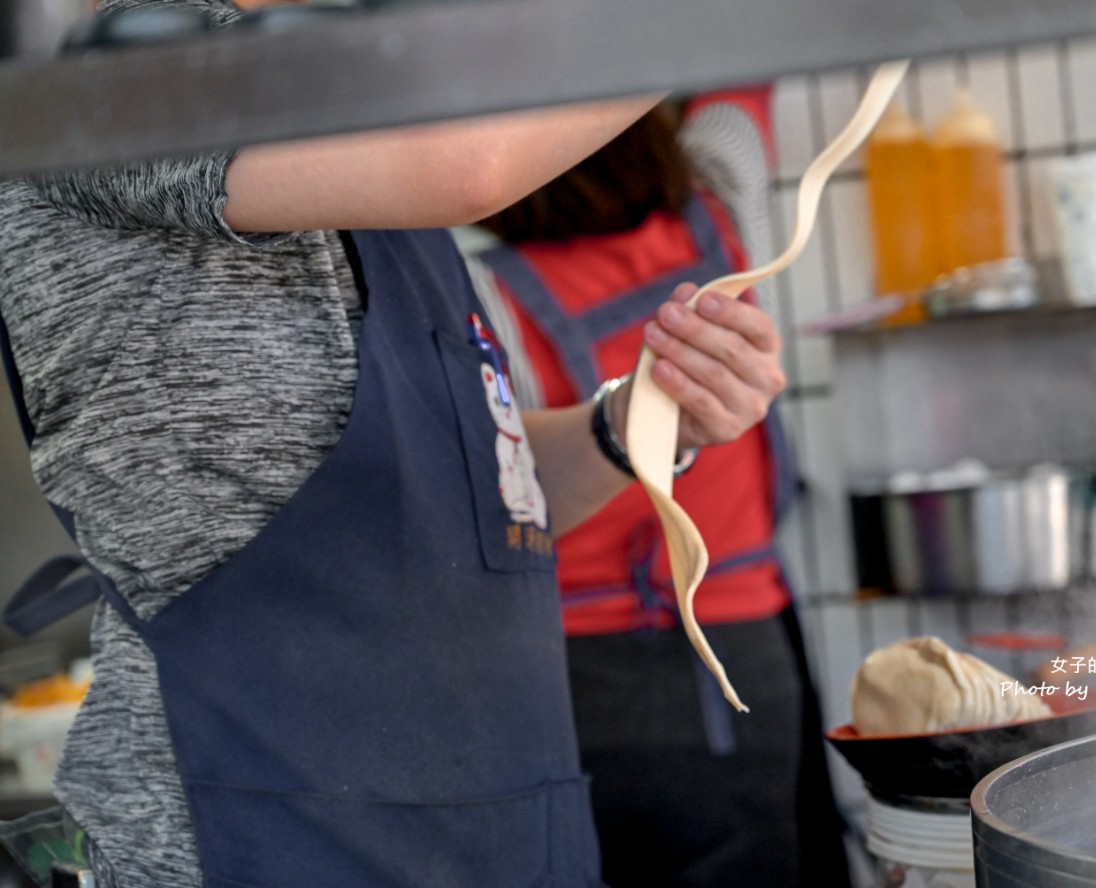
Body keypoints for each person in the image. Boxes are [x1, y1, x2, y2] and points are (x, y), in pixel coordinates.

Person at [0, 0, 788, 884]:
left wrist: (634, 423)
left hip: (509, 830)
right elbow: (473, 163)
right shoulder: (109, 80)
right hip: (261, 838)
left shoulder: (344, 118)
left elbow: (471, 498)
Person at [460, 89, 852, 888]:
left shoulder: (477, 296)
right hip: (739, 658)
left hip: (561, 684)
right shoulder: (724, 205)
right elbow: (739, 80)